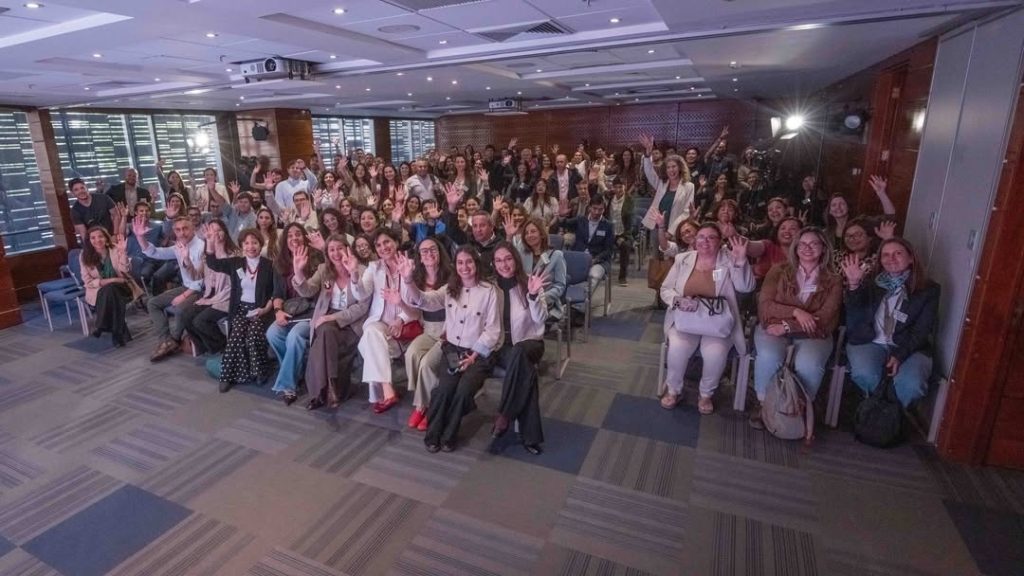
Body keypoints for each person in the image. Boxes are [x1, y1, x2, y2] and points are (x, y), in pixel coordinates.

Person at [398, 246, 501, 452]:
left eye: (469, 262)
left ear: (476, 264)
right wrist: (408, 280)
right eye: (460, 263)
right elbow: (424, 300)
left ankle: (449, 435)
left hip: (478, 354)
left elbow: (492, 330)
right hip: (453, 349)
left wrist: (473, 355)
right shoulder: (449, 289)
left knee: (463, 391)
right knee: (444, 389)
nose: (465, 267)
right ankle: (433, 435)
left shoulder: (489, 291)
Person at [751, 227, 842, 430]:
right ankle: (764, 404)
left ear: (824, 248)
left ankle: (799, 409)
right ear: (795, 247)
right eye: (802, 244)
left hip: (814, 334)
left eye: (814, 243)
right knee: (769, 356)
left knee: (809, 363)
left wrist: (787, 325)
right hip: (773, 328)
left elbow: (825, 318)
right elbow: (765, 306)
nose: (807, 248)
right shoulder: (778, 270)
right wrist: (797, 312)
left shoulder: (834, 279)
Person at [659, 224, 753, 414]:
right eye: (701, 237)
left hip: (718, 322)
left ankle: (706, 394)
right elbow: (666, 289)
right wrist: (677, 300)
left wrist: (741, 262)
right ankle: (673, 390)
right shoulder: (683, 259)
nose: (705, 241)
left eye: (711, 237)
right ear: (695, 240)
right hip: (686, 319)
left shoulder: (730, 259)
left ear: (720, 241)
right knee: (677, 348)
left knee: (715, 354)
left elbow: (745, 287)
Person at [842, 238, 939, 408]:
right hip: (870, 341)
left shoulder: (928, 290)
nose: (891, 258)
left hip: (909, 345)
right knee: (865, 374)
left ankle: (888, 411)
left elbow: (921, 331)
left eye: (898, 253)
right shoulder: (871, 282)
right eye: (885, 255)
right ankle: (881, 410)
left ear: (911, 258)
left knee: (912, 385)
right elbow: (854, 314)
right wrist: (854, 284)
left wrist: (899, 355)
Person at [345, 228, 422, 413]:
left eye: (387, 242)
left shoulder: (411, 265)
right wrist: (354, 274)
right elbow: (361, 294)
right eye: (378, 245)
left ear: (396, 242)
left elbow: (418, 301)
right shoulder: (374, 268)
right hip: (380, 322)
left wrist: (401, 319)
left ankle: (381, 394)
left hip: (407, 322)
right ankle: (387, 390)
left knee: (367, 341)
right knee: (371, 332)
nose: (383, 247)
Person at [486, 242, 549, 454]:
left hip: (530, 343)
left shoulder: (529, 282)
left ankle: (504, 415)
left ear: (516, 259)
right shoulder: (490, 288)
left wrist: (533, 296)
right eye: (498, 260)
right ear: (493, 264)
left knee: (520, 352)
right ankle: (530, 437)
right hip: (502, 347)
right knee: (526, 373)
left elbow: (541, 319)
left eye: (508, 259)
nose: (504, 264)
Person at [205, 229, 283, 393]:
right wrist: (210, 245)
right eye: (246, 243)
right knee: (236, 335)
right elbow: (213, 264)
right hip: (241, 309)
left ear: (260, 245)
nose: (250, 246)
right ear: (241, 246)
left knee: (254, 334)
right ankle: (227, 376)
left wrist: (266, 308)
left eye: (254, 242)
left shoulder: (269, 265)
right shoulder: (236, 263)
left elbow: (276, 291)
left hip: (262, 310)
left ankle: (259, 372)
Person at [301, 235, 370, 410]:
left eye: (339, 248)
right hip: (326, 319)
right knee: (326, 332)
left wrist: (333, 318)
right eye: (331, 249)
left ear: (348, 249)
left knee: (323, 337)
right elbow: (308, 291)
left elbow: (362, 307)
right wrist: (298, 272)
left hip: (352, 323)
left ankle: (318, 393)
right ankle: (332, 387)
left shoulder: (362, 271)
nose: (336, 253)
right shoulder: (324, 270)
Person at [132, 214, 205, 362]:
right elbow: (155, 252)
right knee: (153, 303)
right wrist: (140, 238)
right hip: (187, 287)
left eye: (185, 228)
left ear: (193, 228)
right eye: (178, 230)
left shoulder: (202, 246)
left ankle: (175, 339)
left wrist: (183, 296)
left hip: (202, 291)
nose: (182, 233)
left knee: (180, 308)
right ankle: (166, 341)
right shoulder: (179, 247)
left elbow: (201, 281)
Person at [267, 223, 321, 406]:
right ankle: (296, 372)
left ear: (304, 237)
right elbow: (277, 294)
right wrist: (278, 311)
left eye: (298, 234)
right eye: (290, 236)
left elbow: (315, 292)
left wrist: (300, 271)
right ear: (285, 241)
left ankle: (287, 386)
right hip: (290, 311)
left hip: (312, 312)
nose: (294, 238)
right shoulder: (279, 263)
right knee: (272, 333)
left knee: (294, 336)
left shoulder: (316, 259)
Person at [403, 237, 453, 431]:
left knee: (426, 364)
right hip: (428, 328)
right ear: (420, 257)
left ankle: (425, 406)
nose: (429, 254)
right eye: (424, 251)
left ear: (440, 253)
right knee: (412, 353)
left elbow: (430, 300)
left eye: (433, 249)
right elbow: (415, 310)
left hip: (448, 330)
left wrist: (408, 283)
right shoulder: (417, 278)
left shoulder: (451, 276)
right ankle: (423, 398)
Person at [180, 219, 235, 355]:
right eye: (212, 231)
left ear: (225, 232)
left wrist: (218, 248)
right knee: (185, 316)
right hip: (210, 296)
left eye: (219, 230)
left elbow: (232, 283)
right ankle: (204, 347)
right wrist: (187, 260)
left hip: (227, 299)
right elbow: (196, 276)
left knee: (200, 321)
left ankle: (224, 348)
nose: (215, 234)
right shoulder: (207, 256)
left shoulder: (234, 254)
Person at [81, 227, 133, 347]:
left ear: (106, 237)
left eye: (100, 236)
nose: (97, 240)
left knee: (110, 291)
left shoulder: (116, 249)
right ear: (89, 241)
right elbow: (87, 282)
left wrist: (123, 253)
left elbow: (125, 272)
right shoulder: (84, 256)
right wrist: (113, 279)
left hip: (123, 287)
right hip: (101, 291)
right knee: (111, 292)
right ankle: (117, 334)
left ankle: (101, 325)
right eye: (93, 238)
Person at [512, 217, 567, 321]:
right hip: (522, 300)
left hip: (546, 302)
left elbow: (560, 286)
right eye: (526, 233)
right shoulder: (522, 252)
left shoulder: (557, 256)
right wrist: (509, 236)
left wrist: (542, 298)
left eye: (533, 231)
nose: (529, 235)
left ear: (542, 234)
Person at [639, 134, 694, 235]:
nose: (671, 170)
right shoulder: (662, 184)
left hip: (675, 230)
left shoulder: (689, 186)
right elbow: (649, 172)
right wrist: (647, 155)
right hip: (656, 227)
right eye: (668, 167)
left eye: (674, 166)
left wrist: (671, 231)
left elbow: (686, 212)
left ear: (680, 168)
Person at [566, 195, 615, 302]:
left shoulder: (608, 226)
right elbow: (563, 223)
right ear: (589, 208)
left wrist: (595, 260)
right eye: (594, 208)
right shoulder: (580, 220)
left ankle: (581, 304)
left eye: (600, 209)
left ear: (604, 209)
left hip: (598, 261)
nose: (597, 212)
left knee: (593, 276)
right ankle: (567, 301)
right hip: (579, 258)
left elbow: (609, 250)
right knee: (565, 274)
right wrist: (560, 215)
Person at [607, 177, 635, 286]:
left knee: (625, 246)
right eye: (616, 187)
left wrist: (623, 236)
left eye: (620, 187)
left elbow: (630, 223)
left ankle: (622, 277)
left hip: (623, 233)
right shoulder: (609, 199)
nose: (618, 190)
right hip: (610, 233)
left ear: (625, 187)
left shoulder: (629, 201)